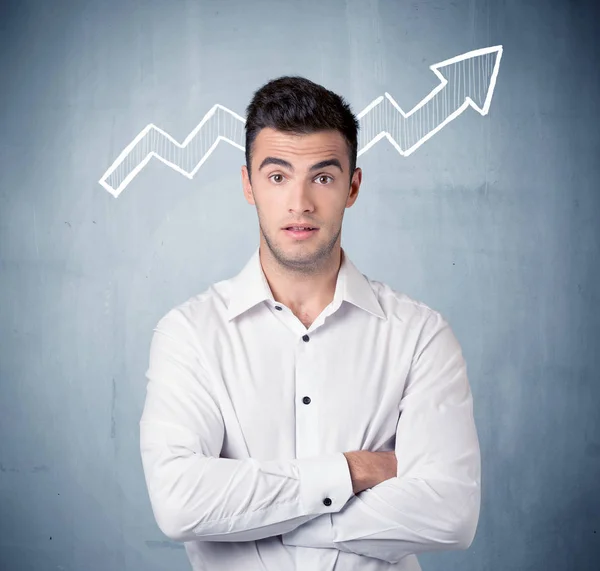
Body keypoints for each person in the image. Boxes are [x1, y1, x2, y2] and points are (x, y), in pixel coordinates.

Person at [139, 76, 481, 571]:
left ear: (352, 187)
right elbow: (179, 504)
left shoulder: (420, 336)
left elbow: (449, 515)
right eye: (278, 176)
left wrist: (260, 522)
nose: (299, 202)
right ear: (248, 184)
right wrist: (355, 471)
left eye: (322, 177)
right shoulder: (189, 334)